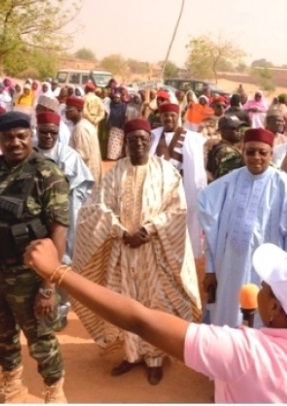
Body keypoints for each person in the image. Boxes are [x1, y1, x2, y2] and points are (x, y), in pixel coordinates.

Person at [24, 239, 287, 403]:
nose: (259, 288)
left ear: (275, 308)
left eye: (265, 287)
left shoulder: (242, 352)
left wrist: (58, 272)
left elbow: (141, 321)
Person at [70, 118, 202, 385]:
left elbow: (177, 210)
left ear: (149, 141)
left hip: (155, 252)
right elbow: (96, 207)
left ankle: (154, 358)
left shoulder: (166, 171)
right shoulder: (115, 172)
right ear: (126, 144)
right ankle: (131, 355)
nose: (138, 144)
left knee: (155, 303)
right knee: (126, 303)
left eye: (143, 139)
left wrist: (150, 229)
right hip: (124, 251)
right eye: (133, 140)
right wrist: (120, 231)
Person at [0, 111, 69, 403]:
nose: (15, 142)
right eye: (7, 137)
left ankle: (55, 393)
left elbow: (58, 231)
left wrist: (48, 285)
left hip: (30, 275)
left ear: (30, 135)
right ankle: (12, 385)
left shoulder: (46, 173)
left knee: (41, 339)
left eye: (21, 136)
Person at [199, 128, 287, 328]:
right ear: (243, 152)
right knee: (228, 321)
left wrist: (285, 273)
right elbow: (212, 231)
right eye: (250, 152)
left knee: (261, 323)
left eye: (262, 153)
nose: (256, 157)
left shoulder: (283, 185)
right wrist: (210, 269)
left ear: (271, 154)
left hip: (266, 272)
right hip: (229, 268)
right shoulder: (227, 183)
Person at [35, 111, 94, 329]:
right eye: (44, 132)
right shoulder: (28, 152)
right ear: (37, 131)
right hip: (33, 219)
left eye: (53, 133)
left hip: (62, 218)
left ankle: (60, 312)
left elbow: (82, 190)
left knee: (62, 261)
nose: (48, 137)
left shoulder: (69, 157)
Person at [149, 103, 207, 259]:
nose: (168, 118)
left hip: (182, 193)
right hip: (157, 194)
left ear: (178, 117)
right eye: (165, 115)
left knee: (180, 229)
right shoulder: (153, 136)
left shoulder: (192, 139)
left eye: (172, 115)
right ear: (160, 117)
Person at [65, 96, 103, 185]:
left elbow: (82, 156)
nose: (66, 112)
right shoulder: (83, 124)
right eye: (66, 109)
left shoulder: (81, 128)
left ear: (79, 110)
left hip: (85, 177)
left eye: (70, 109)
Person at [206, 115, 245, 182]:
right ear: (222, 131)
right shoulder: (228, 152)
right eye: (233, 128)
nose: (238, 131)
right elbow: (230, 179)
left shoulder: (221, 146)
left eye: (238, 128)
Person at [106, 90, 128, 160]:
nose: (116, 99)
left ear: (120, 98)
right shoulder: (111, 105)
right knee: (111, 142)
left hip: (120, 127)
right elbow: (109, 115)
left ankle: (118, 156)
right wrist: (109, 123)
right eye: (115, 98)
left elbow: (125, 116)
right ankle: (111, 156)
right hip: (112, 126)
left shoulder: (123, 106)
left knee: (119, 142)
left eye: (118, 98)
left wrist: (122, 125)